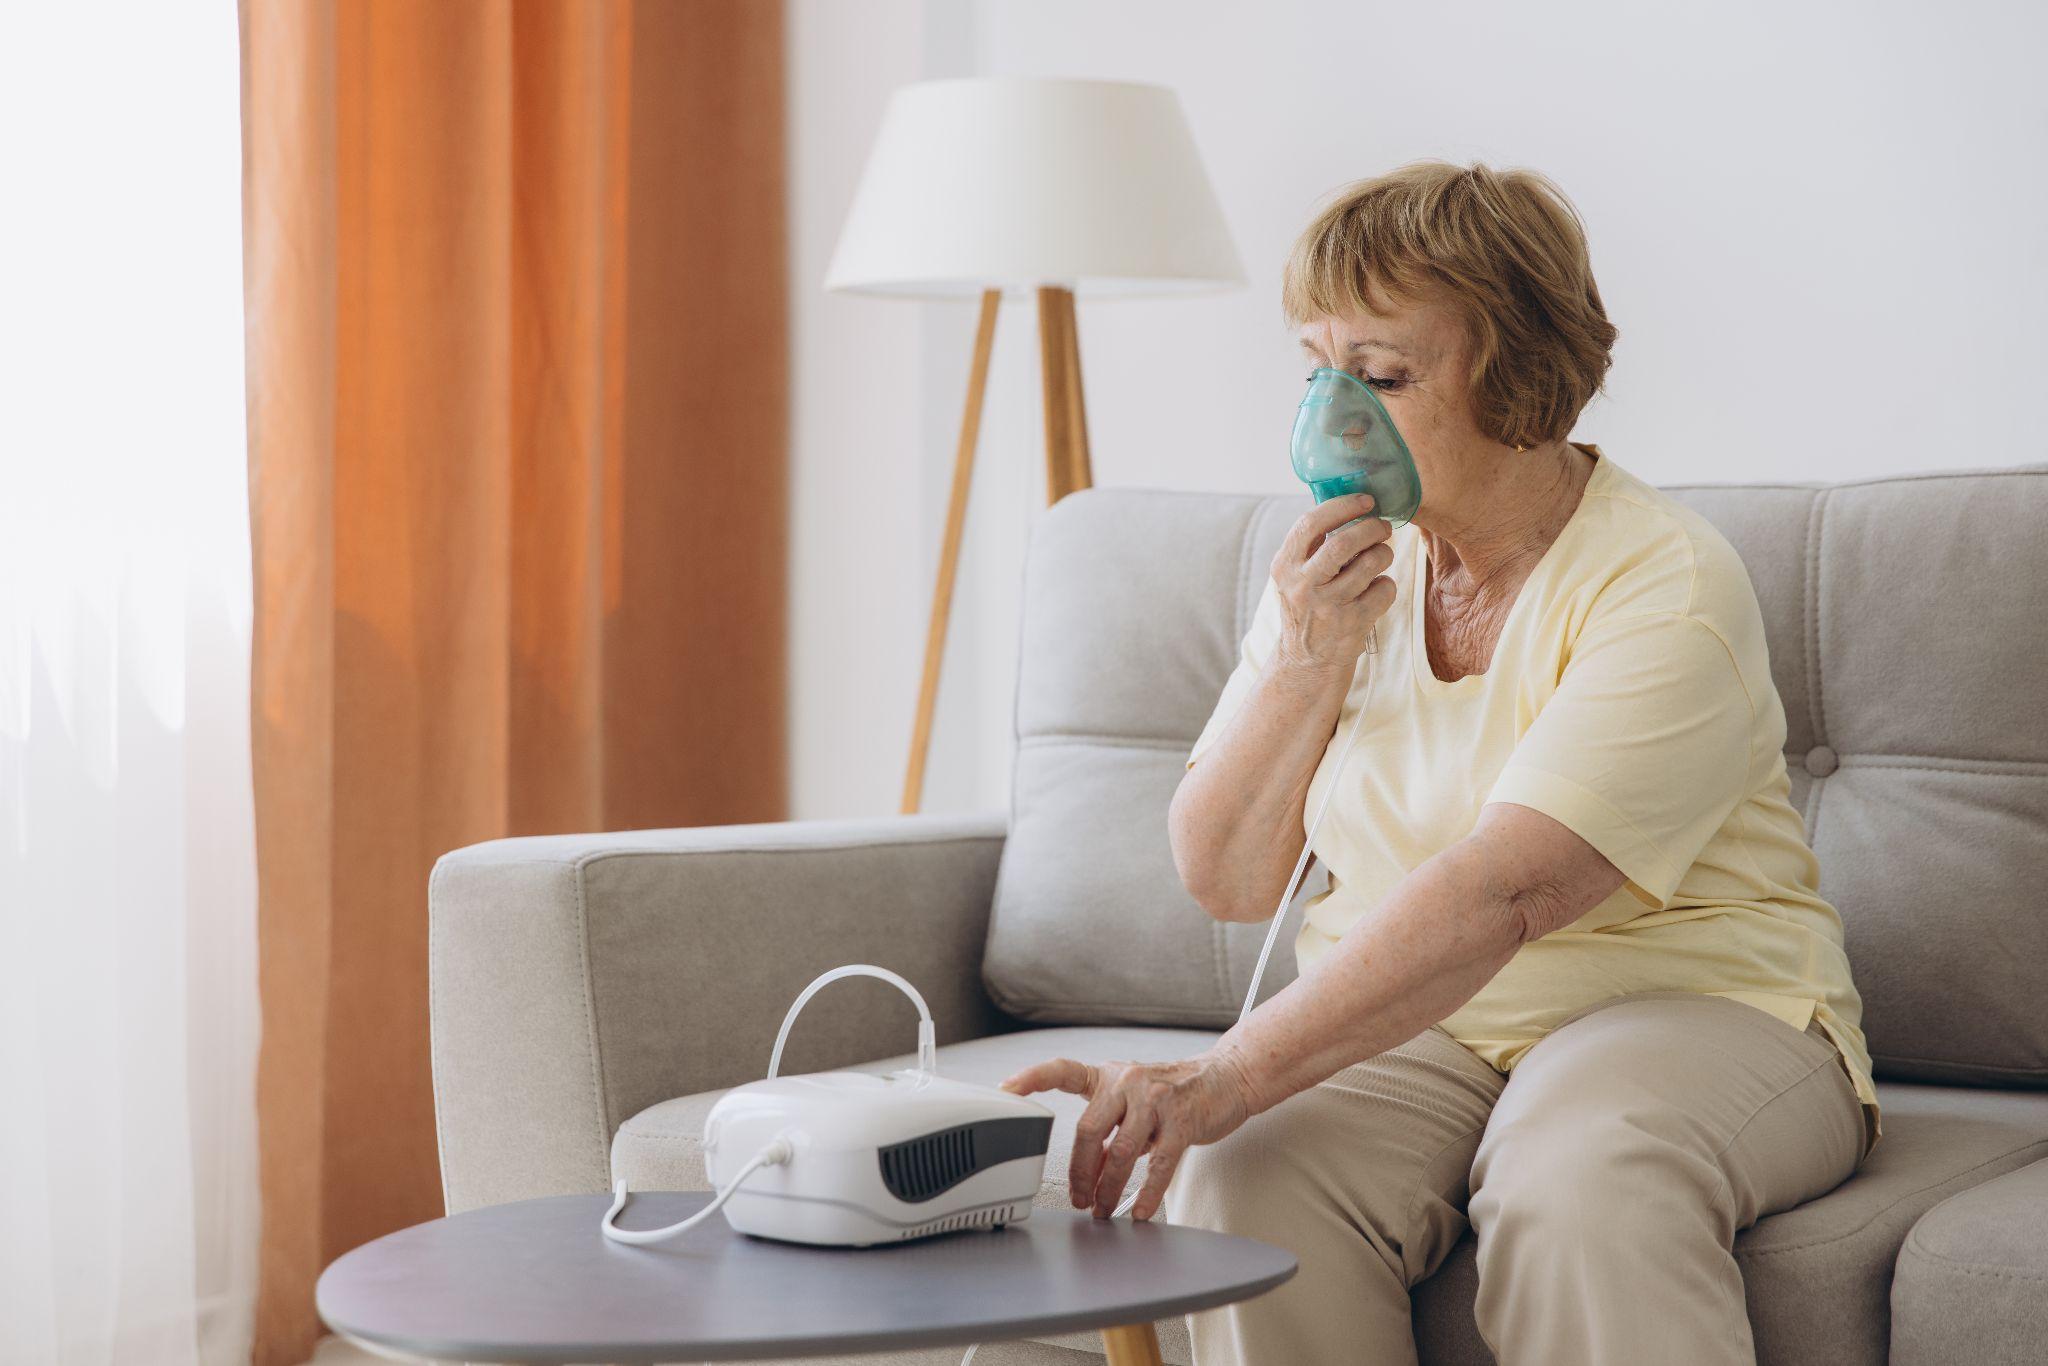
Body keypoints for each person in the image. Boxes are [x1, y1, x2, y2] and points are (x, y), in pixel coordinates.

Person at [999, 160, 1877, 1366]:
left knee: (1581, 1183)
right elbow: (1226, 878)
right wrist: (1303, 662)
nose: (1327, 415)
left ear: (1515, 380)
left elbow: (1505, 891)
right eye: (1314, 368)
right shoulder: (1343, 568)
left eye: (1380, 374)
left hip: (1693, 1006)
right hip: (1429, 1029)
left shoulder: (1662, 583)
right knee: (1235, 1178)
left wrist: (1224, 1072)